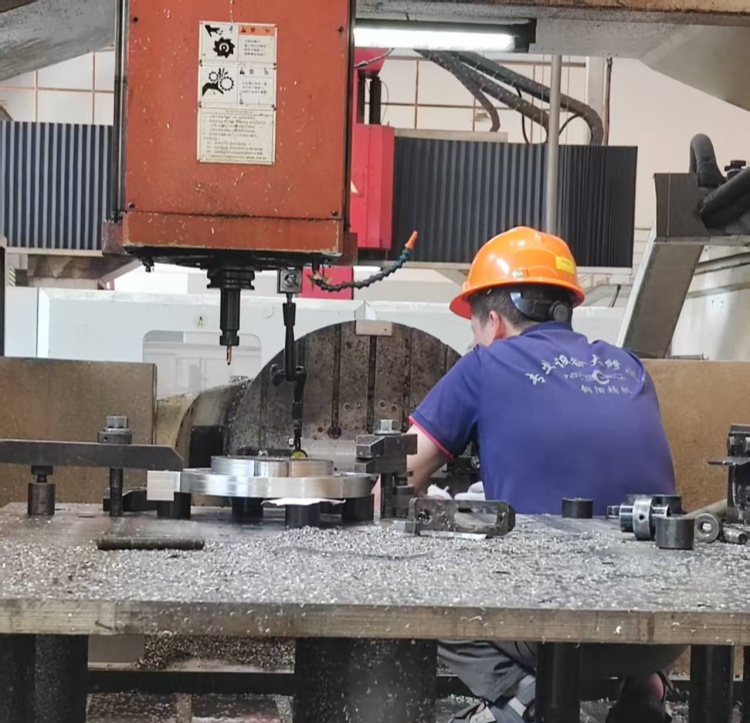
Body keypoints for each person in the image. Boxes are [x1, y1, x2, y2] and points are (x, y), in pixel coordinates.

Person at [405, 227, 680, 723]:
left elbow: (402, 470)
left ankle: (523, 698)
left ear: (493, 322)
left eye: (474, 329)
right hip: (664, 631)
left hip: (556, 632)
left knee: (411, 581)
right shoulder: (628, 366)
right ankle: (644, 690)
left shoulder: (484, 365)